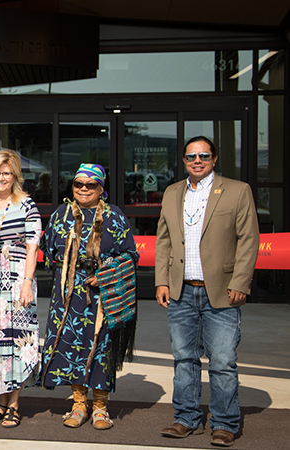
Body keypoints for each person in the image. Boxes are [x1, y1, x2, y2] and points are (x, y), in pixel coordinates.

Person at [155, 136, 259, 447]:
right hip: (181, 292)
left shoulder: (237, 191)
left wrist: (240, 282)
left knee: (222, 361)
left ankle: (225, 423)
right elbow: (163, 240)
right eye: (190, 156)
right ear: (184, 161)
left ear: (214, 159)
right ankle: (186, 418)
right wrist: (162, 280)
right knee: (184, 359)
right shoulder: (173, 192)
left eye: (203, 155)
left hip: (222, 292)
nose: (197, 160)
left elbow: (248, 240)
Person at [40, 163, 138, 430]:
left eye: (90, 185)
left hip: (100, 293)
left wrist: (105, 274)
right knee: (71, 345)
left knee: (101, 347)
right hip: (68, 293)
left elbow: (130, 254)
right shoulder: (61, 214)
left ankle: (101, 408)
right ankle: (79, 404)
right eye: (78, 184)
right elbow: (48, 249)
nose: (83, 189)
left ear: (101, 189)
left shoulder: (115, 216)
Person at [0, 150, 42, 429]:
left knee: (18, 342)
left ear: (15, 176)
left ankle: (14, 405)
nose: (0, 178)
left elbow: (32, 246)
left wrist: (27, 283)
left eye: (6, 173)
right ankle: (0, 402)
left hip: (18, 280)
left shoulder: (26, 204)